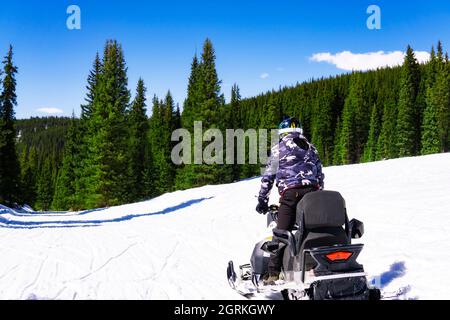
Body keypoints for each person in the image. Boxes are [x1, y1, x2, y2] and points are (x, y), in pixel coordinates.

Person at [256, 116, 324, 285]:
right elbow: (320, 174)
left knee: (281, 233)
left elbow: (268, 177)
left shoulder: (278, 149)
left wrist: (262, 200)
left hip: (291, 195)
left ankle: (273, 273)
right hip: (314, 195)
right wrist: (318, 192)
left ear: (282, 133)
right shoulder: (311, 148)